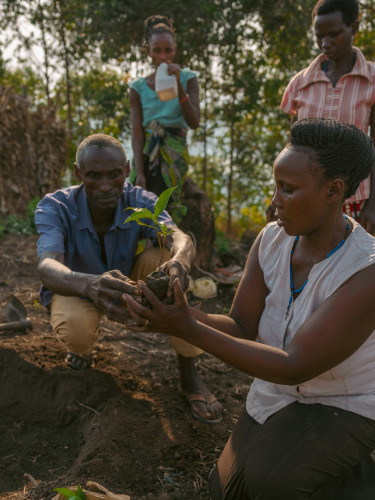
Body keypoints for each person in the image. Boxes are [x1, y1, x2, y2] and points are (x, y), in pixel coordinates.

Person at [123, 119, 375, 499]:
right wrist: (172, 314)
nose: (275, 201)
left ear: (333, 190)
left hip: (346, 402)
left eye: (288, 190)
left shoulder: (365, 269)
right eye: (276, 186)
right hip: (280, 393)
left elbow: (295, 365)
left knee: (273, 482)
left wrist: (188, 328)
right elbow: (241, 324)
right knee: (225, 491)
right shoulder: (273, 240)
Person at [35, 133, 222, 424]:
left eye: (114, 175)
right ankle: (82, 352)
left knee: (164, 264)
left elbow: (178, 237)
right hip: (79, 288)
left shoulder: (139, 201)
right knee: (76, 329)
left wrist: (181, 262)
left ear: (126, 170)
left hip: (128, 284)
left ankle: (188, 373)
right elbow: (47, 266)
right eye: (94, 176)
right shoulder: (57, 207)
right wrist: (90, 284)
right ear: (78, 173)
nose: (106, 186)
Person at [281, 0, 375, 233]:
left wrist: (373, 203)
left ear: (353, 28)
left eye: (333, 34)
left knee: (354, 265)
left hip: (356, 199)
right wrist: (281, 194)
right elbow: (293, 147)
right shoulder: (300, 83)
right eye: (319, 36)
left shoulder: (372, 79)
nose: (325, 43)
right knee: (310, 262)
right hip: (307, 200)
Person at [129, 14, 200, 222]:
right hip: (146, 153)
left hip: (173, 151)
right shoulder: (138, 88)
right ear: (148, 52)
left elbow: (193, 121)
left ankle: (167, 248)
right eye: (156, 51)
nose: (162, 56)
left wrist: (177, 84)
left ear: (175, 49)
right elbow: (137, 131)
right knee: (139, 204)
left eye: (167, 50)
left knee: (166, 206)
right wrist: (139, 172)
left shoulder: (189, 79)